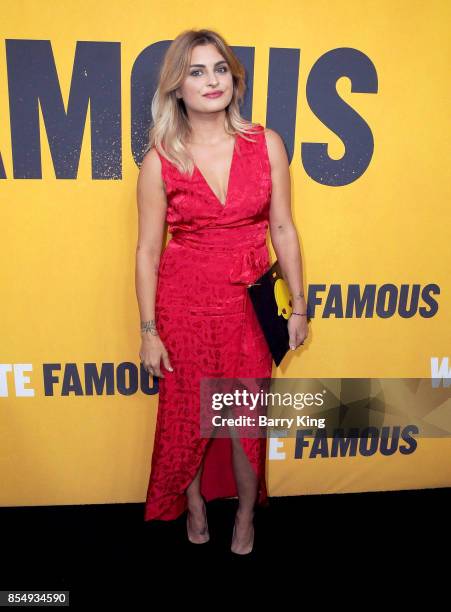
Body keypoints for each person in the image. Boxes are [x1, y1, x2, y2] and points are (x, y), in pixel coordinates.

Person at [135, 29, 308, 555]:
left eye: (219, 69)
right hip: (183, 305)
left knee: (244, 420)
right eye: (196, 71)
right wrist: (148, 331)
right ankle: (193, 505)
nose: (211, 81)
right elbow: (146, 251)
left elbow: (284, 230)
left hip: (249, 306)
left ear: (234, 79)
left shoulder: (266, 143)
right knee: (187, 414)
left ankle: (246, 518)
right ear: (176, 89)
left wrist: (299, 305)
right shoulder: (160, 159)